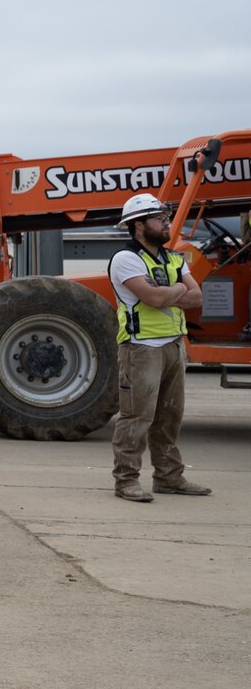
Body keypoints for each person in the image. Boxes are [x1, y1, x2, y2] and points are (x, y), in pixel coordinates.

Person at [106, 193, 210, 502]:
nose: (166, 224)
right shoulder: (126, 259)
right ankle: (126, 481)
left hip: (173, 346)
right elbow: (154, 299)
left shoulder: (174, 257)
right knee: (137, 417)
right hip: (140, 348)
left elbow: (198, 298)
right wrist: (178, 289)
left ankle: (169, 477)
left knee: (170, 416)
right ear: (139, 225)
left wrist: (168, 292)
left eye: (165, 218)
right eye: (159, 219)